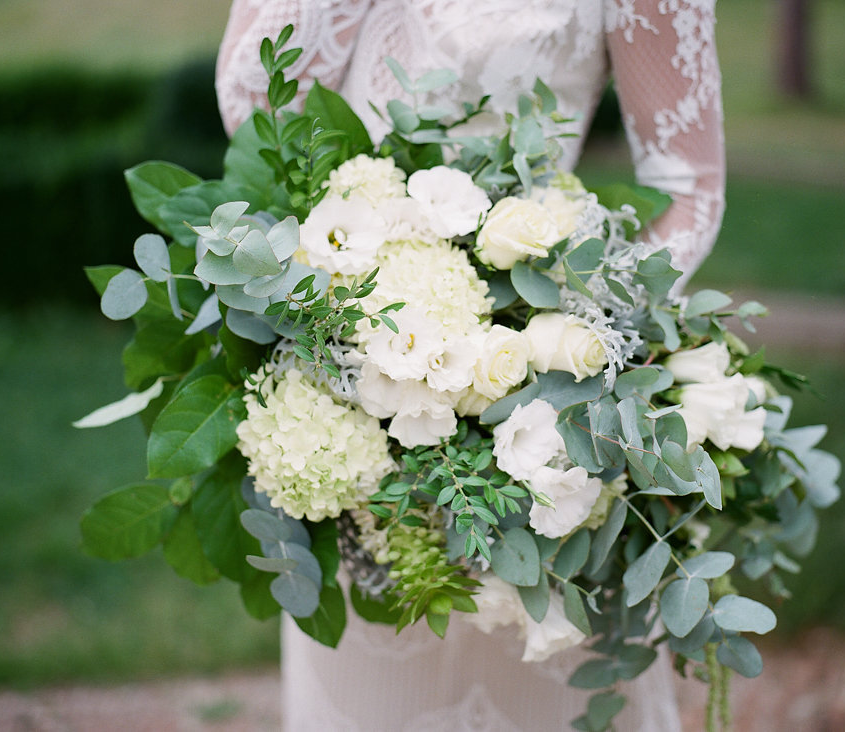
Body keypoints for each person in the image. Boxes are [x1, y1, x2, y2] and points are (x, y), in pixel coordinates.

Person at [216, 2, 724, 729]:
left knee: (536, 663)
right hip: (350, 367)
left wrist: (566, 331)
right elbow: (256, 106)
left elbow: (688, 188)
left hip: (538, 402)